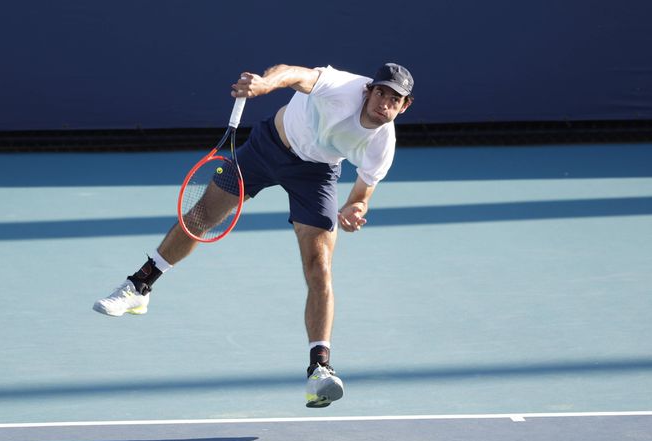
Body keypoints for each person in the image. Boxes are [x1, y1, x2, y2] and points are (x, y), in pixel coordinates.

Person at [94, 62, 414, 408]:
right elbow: (294, 73)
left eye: (395, 98)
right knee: (200, 217)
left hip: (316, 174)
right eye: (381, 92)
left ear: (404, 105)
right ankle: (140, 286)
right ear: (369, 90)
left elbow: (361, 195)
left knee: (319, 267)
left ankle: (319, 369)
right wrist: (265, 84)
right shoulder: (343, 87)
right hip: (267, 148)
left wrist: (355, 210)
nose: (385, 102)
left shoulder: (383, 143)